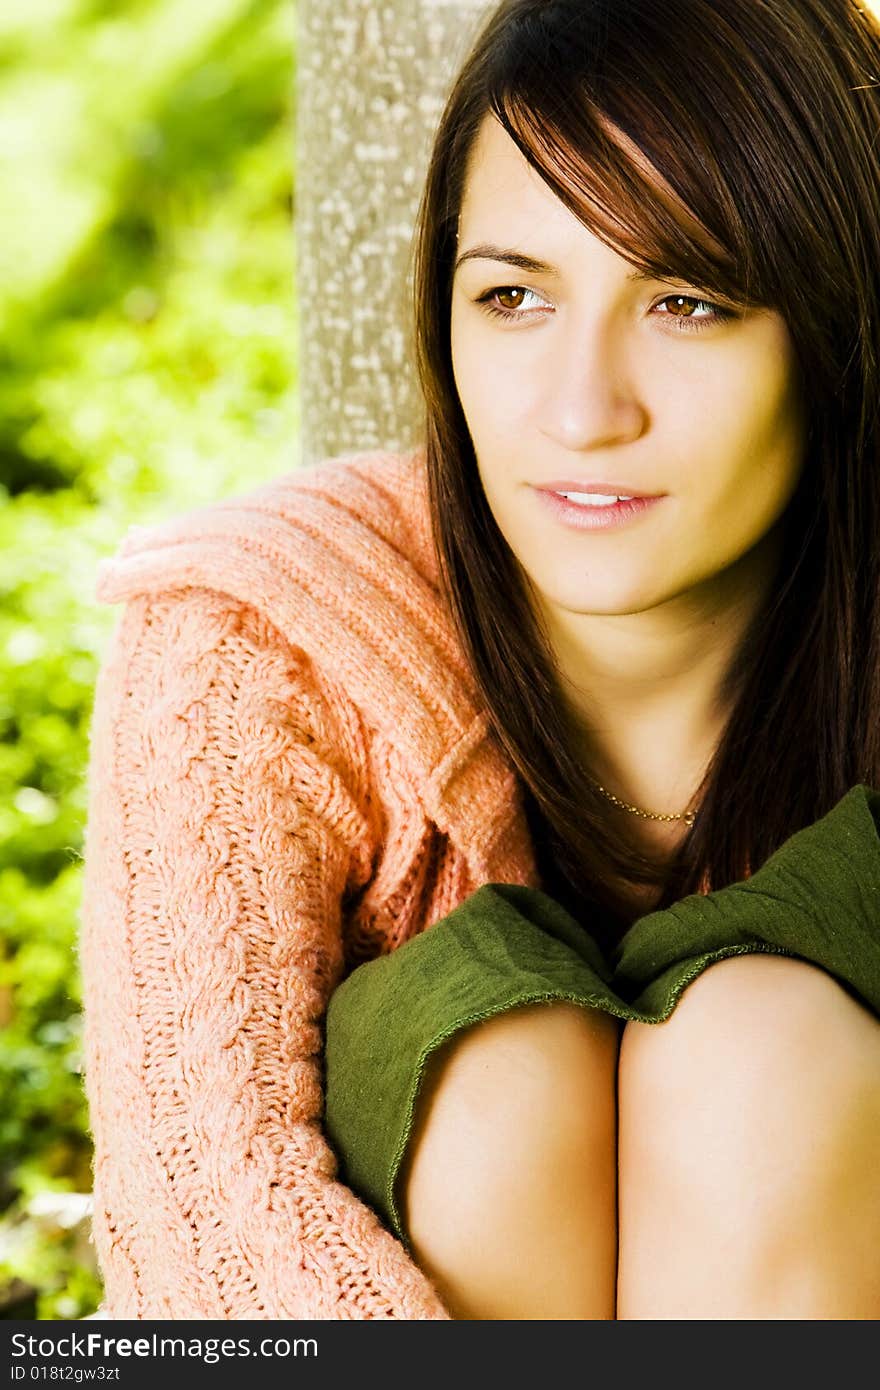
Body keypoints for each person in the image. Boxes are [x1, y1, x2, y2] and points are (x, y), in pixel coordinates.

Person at [79, 0, 880, 1321]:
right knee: (498, 1073)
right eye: (513, 295)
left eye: (685, 301)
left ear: (838, 324)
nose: (582, 410)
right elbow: (198, 1221)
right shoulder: (261, 633)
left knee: (760, 1056)